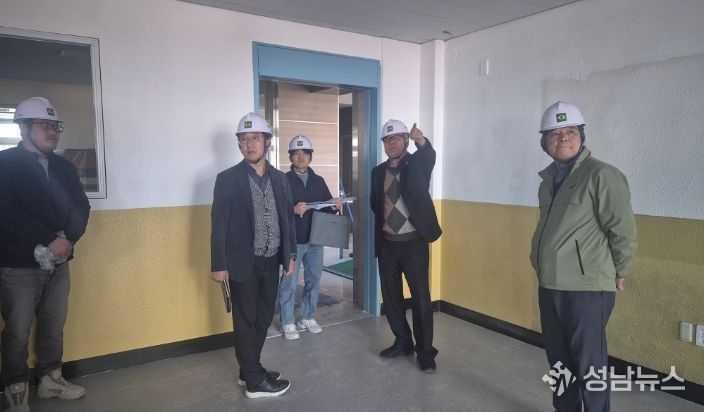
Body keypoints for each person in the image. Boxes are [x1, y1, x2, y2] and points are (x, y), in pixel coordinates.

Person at [530, 101, 637, 412]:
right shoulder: (548, 181)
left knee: (590, 365)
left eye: (571, 131)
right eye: (555, 133)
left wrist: (621, 269)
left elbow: (622, 229)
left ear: (582, 137)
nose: (563, 137)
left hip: (587, 289)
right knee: (559, 363)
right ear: (544, 142)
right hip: (550, 285)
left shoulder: (601, 175)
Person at [0, 97, 91, 411]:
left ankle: (51, 380)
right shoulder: (5, 163)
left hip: (59, 262)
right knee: (17, 329)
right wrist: (48, 239)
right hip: (18, 266)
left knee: (54, 324)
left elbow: (81, 206)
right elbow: (6, 210)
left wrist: (68, 240)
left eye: (56, 126)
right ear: (23, 127)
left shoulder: (64, 166)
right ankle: (15, 390)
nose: (52, 132)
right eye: (44, 125)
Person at [210, 112, 296, 399]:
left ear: (267, 141)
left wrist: (290, 254)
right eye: (244, 139)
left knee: (263, 318)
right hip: (242, 263)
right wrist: (219, 264)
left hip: (272, 261)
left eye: (255, 138)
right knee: (245, 322)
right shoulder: (227, 179)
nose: (249, 144)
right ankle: (255, 382)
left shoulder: (280, 179)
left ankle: (248, 370)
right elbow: (219, 224)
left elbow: (287, 218)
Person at [370, 119, 442, 372]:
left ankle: (425, 353)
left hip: (413, 244)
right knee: (391, 299)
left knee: (421, 299)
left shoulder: (417, 163)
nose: (391, 142)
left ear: (405, 141)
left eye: (396, 138)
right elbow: (376, 204)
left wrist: (421, 140)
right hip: (388, 244)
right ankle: (402, 342)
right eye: (387, 139)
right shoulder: (377, 172)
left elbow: (429, 155)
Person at [279, 135, 340, 340]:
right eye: (296, 153)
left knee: (314, 280)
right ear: (291, 157)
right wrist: (293, 210)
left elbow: (326, 208)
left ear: (310, 156)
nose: (301, 157)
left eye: (304, 153)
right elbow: (276, 210)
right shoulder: (283, 180)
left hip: (316, 239)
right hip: (294, 241)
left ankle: (307, 317)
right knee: (289, 282)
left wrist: (334, 206)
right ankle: (287, 321)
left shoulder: (318, 181)